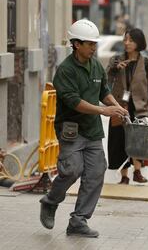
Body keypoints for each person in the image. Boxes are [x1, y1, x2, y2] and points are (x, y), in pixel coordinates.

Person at [39, 19, 129, 237]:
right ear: (76, 44)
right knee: (71, 170)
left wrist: (117, 107)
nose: (93, 47)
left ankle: (79, 221)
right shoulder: (65, 70)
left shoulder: (96, 65)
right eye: (89, 43)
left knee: (96, 172)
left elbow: (103, 92)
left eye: (94, 43)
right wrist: (103, 111)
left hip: (93, 131)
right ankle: (50, 201)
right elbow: (74, 102)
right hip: (71, 130)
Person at [106, 28, 148, 184]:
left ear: (139, 42)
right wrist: (115, 69)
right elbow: (106, 77)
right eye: (125, 40)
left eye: (130, 40)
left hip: (139, 107)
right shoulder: (116, 60)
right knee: (120, 140)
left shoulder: (147, 63)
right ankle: (124, 175)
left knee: (137, 140)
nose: (127, 43)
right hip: (119, 105)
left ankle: (137, 171)